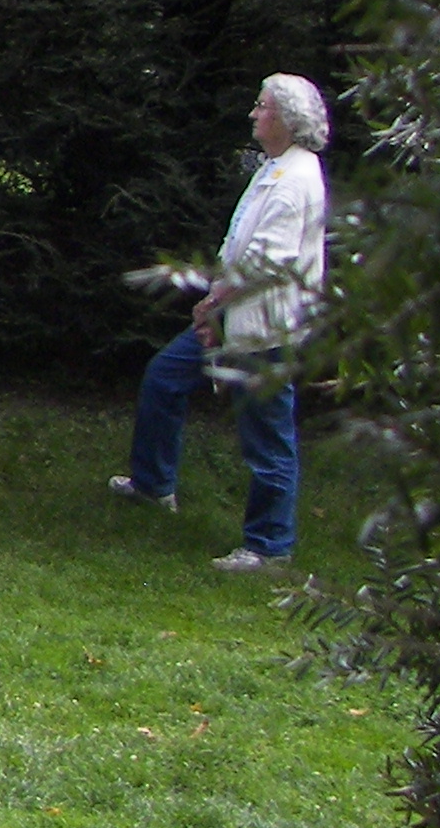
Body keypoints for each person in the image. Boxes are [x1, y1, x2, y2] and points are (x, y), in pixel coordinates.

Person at [110, 74, 330, 571]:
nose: (254, 113)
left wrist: (212, 304)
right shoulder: (276, 167)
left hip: (263, 328)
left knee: (267, 434)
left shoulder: (295, 181)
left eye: (262, 106)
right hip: (236, 314)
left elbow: (263, 263)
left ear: (286, 119)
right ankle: (153, 484)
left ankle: (270, 546)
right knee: (165, 378)